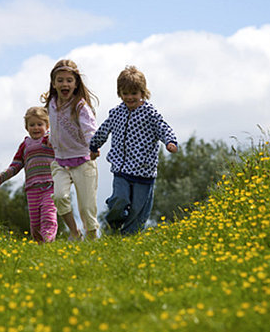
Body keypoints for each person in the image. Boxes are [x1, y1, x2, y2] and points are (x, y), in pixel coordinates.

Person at [90, 65, 178, 236]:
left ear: (142, 93)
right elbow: (103, 130)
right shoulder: (116, 113)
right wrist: (94, 146)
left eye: (134, 93)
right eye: (125, 93)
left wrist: (170, 141)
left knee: (138, 210)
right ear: (119, 93)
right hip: (121, 169)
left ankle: (127, 239)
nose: (129, 97)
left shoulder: (150, 113)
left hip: (144, 170)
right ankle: (113, 223)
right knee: (119, 199)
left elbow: (163, 127)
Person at [41, 59, 100, 240]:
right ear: (53, 83)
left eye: (69, 80)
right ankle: (75, 232)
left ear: (75, 84)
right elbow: (56, 124)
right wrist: (50, 138)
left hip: (83, 160)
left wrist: (94, 146)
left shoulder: (80, 106)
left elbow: (89, 129)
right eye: (60, 80)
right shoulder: (51, 102)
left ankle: (92, 238)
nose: (64, 84)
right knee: (59, 197)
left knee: (86, 208)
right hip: (60, 161)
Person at [0, 106, 58, 243]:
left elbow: (63, 153)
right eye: (32, 125)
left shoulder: (50, 140)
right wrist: (1, 177)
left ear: (47, 125)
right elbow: (15, 165)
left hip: (51, 185)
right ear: (27, 127)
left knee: (48, 216)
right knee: (35, 224)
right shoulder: (25, 145)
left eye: (40, 124)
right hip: (32, 189)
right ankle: (40, 246)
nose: (36, 128)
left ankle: (48, 240)